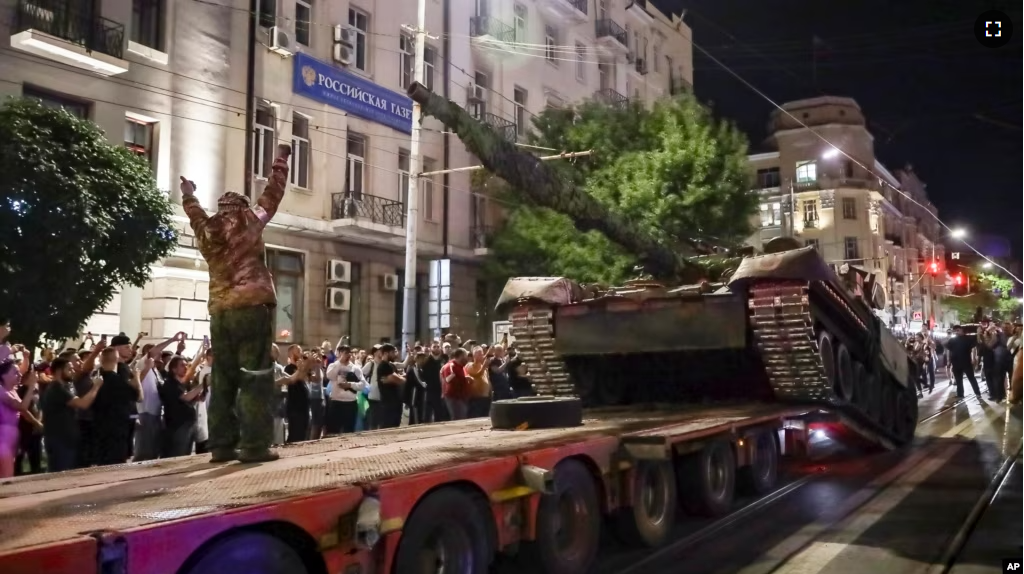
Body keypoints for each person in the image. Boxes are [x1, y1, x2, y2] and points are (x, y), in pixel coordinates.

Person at [180, 146, 291, 464]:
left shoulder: (206, 228)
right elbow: (273, 195)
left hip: (220, 310)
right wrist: (280, 159)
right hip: (251, 305)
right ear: (240, 206)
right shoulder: (249, 220)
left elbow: (194, 212)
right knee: (255, 375)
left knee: (223, 377)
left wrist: (189, 194)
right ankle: (254, 446)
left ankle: (222, 446)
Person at [39, 357, 102, 472]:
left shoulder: (66, 387)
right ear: (59, 371)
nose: (72, 372)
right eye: (69, 369)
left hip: (67, 439)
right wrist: (96, 386)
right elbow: (83, 404)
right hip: (59, 440)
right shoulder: (57, 389)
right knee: (59, 475)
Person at [946, 325, 981, 399]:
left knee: (971, 378)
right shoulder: (952, 340)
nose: (956, 332)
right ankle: (960, 394)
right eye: (955, 331)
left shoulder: (968, 338)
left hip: (966, 362)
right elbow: (948, 349)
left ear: (961, 330)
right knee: (958, 380)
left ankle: (977, 392)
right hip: (955, 362)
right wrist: (948, 360)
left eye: (958, 330)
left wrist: (974, 358)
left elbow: (975, 346)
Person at [441, 348, 471, 420]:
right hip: (454, 397)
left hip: (461, 397)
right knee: (458, 418)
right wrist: (463, 379)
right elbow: (448, 379)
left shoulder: (461, 367)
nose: (467, 358)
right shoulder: (450, 366)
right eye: (466, 356)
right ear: (461, 356)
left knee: (462, 417)